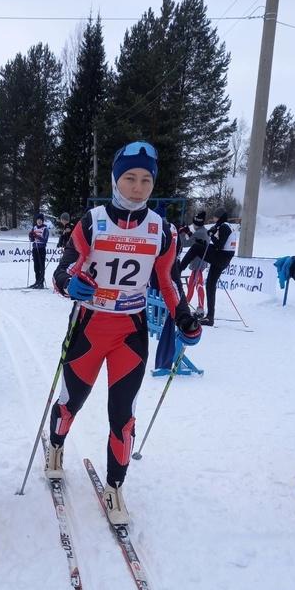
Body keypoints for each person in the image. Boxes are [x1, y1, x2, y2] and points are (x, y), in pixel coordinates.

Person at [46, 141, 201, 523]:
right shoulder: (92, 221)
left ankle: (115, 487)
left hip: (130, 332)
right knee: (72, 401)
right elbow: (61, 270)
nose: (137, 186)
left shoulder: (162, 230)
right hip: (89, 326)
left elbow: (167, 281)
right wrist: (70, 285)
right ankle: (55, 445)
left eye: (146, 180)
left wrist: (183, 316)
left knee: (123, 414)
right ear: (116, 179)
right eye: (129, 178)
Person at [179, 207, 236, 325]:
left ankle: (179, 269)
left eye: (215, 217)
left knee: (196, 248)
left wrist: (211, 235)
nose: (214, 219)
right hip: (224, 257)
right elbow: (218, 245)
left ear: (219, 217)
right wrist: (207, 241)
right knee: (210, 285)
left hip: (221, 256)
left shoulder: (224, 226)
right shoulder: (226, 226)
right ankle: (210, 317)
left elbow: (219, 245)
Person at [28, 213, 50, 289]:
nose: (39, 221)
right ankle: (37, 281)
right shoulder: (34, 228)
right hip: (35, 248)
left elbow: (45, 240)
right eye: (38, 220)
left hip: (41, 249)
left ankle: (41, 283)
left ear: (42, 221)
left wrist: (37, 236)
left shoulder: (45, 229)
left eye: (41, 220)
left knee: (41, 266)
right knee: (36, 266)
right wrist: (31, 236)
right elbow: (31, 240)